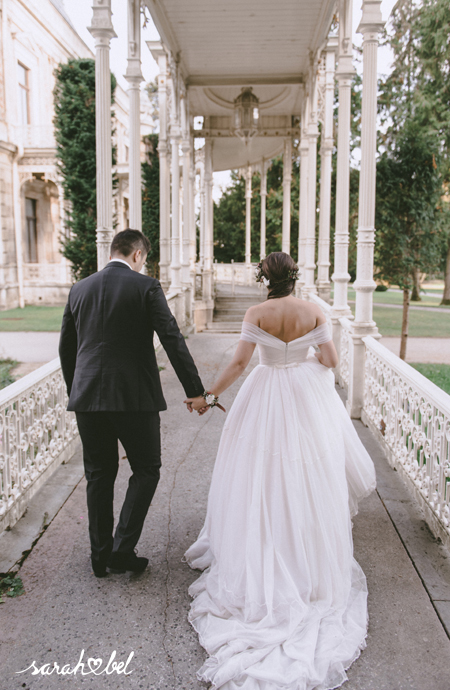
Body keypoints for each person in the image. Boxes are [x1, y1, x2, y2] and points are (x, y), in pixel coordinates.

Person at [183, 252, 377, 690]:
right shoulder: (314, 310)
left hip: (265, 393)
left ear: (263, 278)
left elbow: (238, 364)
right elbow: (329, 362)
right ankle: (302, 546)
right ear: (295, 277)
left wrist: (208, 396)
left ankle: (265, 537)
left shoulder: (257, 312)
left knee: (258, 472)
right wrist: (303, 365)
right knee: (306, 474)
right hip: (304, 397)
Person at [59, 229, 205, 578]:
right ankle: (122, 549)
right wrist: (196, 390)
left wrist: (77, 390)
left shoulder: (79, 289)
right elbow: (171, 337)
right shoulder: (146, 287)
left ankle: (99, 556)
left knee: (98, 474)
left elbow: (67, 348)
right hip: (134, 399)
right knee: (146, 469)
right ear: (138, 255)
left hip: (87, 399)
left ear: (113, 252)